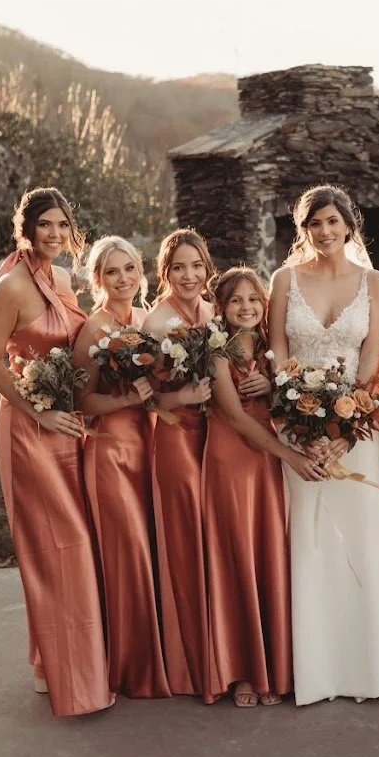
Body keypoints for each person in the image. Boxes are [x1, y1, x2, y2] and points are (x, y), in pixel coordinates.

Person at [268, 185, 379, 705]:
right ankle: (316, 670)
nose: (326, 231)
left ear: (349, 226)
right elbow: (277, 353)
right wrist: (302, 424)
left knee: (362, 536)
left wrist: (341, 429)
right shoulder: (283, 280)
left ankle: (373, 665)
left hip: (355, 431)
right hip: (295, 428)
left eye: (334, 221)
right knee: (307, 541)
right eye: (316, 223)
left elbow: (372, 361)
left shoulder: (375, 281)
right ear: (303, 228)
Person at [0, 187, 114, 716]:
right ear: (26, 229)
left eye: (62, 224)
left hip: (68, 427)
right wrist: (35, 412)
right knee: (59, 547)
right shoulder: (10, 286)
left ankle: (45, 663)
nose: (54, 234)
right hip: (28, 429)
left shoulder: (63, 279)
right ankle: (74, 681)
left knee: (73, 544)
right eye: (45, 225)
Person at [202, 267, 308, 707]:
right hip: (232, 456)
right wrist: (290, 456)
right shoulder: (216, 353)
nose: (245, 307)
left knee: (270, 555)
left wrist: (274, 388)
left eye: (253, 299)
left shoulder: (270, 350)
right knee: (238, 556)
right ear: (222, 309)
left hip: (268, 459)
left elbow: (294, 397)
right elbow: (237, 417)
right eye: (235, 301)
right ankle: (245, 671)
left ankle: (277, 668)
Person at [74, 235, 170, 699]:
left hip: (150, 447)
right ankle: (131, 667)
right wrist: (131, 396)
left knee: (152, 549)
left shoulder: (144, 320)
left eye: (129, 269)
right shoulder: (94, 328)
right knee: (126, 554)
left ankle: (160, 655)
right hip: (111, 452)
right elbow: (80, 398)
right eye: (112, 271)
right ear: (98, 279)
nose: (123, 279)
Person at [143, 228, 217, 698]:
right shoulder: (155, 323)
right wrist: (183, 395)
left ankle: (223, 642)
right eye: (178, 268)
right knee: (186, 536)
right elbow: (145, 397)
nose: (189, 276)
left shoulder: (213, 312)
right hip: (176, 434)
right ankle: (191, 662)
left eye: (196, 266)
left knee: (213, 537)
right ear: (165, 273)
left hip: (217, 434)